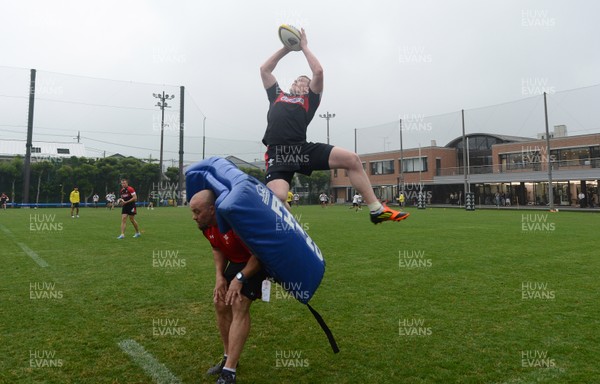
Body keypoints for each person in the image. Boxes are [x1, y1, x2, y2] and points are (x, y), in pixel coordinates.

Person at [260, 28, 409, 224]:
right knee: (278, 198)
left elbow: (318, 72)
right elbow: (265, 69)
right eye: (297, 79)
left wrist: (303, 47)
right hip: (278, 153)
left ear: (309, 88)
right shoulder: (277, 95)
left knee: (353, 159)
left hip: (301, 149)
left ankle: (376, 209)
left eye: (304, 81)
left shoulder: (309, 101)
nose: (299, 82)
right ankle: (289, 223)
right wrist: (286, 48)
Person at [190, 189, 266, 384]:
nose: (194, 217)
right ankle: (228, 356)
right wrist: (219, 277)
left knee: (238, 302)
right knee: (220, 304)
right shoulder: (207, 226)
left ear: (212, 209)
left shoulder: (236, 224)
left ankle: (229, 372)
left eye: (197, 212)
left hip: (256, 262)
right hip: (236, 262)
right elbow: (217, 247)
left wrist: (239, 279)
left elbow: (258, 255)